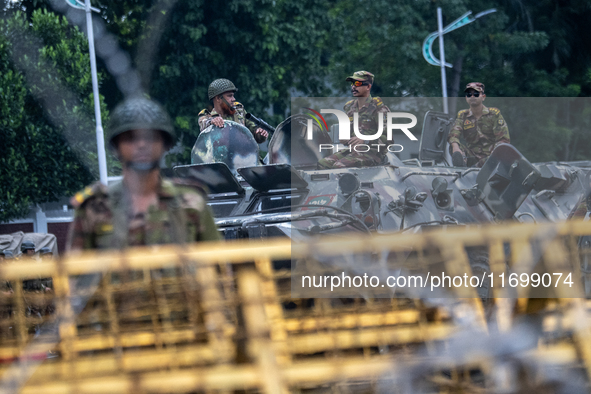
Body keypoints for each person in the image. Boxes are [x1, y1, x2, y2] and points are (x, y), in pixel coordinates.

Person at [67, 96, 221, 251]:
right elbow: (76, 271)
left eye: (150, 137)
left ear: (165, 144)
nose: (141, 144)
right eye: (130, 138)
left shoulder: (191, 201)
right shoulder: (94, 207)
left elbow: (219, 267)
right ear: (116, 147)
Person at [317, 71, 390, 169]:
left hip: (373, 153)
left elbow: (388, 139)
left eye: (358, 84)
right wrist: (344, 139)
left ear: (368, 87)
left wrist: (365, 140)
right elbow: (350, 136)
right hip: (353, 152)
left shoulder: (379, 109)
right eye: (352, 83)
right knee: (323, 164)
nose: (353, 87)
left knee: (339, 166)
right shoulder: (350, 107)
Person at [449, 82, 510, 168]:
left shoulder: (494, 114)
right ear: (466, 98)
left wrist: (494, 155)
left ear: (483, 97)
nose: (472, 96)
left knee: (499, 153)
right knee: (453, 146)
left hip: (491, 158)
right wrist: (456, 149)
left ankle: (474, 169)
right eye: (469, 94)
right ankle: (462, 166)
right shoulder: (463, 115)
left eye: (476, 94)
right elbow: (454, 134)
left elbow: (503, 140)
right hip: (471, 156)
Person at [198, 79, 268, 143]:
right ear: (218, 98)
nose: (233, 99)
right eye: (229, 96)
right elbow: (204, 124)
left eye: (233, 96)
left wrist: (260, 133)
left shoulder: (239, 111)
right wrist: (213, 121)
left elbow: (253, 132)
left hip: (244, 155)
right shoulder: (207, 116)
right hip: (220, 156)